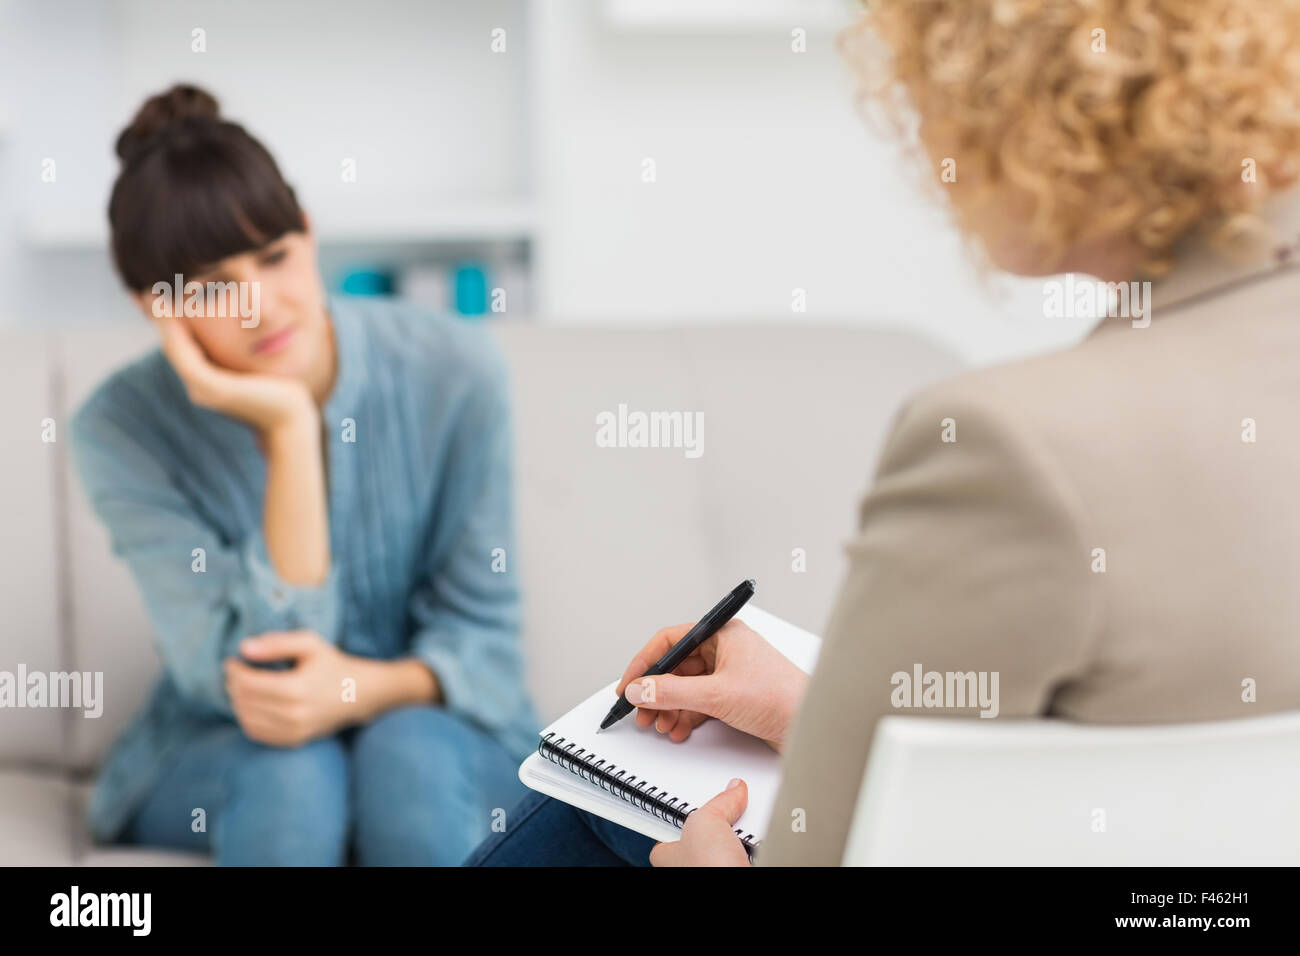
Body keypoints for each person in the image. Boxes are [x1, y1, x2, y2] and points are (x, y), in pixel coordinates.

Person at [468, 0, 1300, 866]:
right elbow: (1124, 785)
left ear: (1015, 112)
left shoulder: (1011, 443)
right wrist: (822, 712)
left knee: (586, 816)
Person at [71, 83, 538, 865]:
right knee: (296, 776)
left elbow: (486, 649)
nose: (259, 306)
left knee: (408, 757)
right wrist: (288, 432)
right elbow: (255, 675)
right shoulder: (120, 429)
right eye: (213, 287)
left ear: (311, 234)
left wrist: (358, 688)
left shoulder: (457, 370)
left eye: (275, 257)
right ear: (157, 307)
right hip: (231, 745)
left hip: (435, 733)